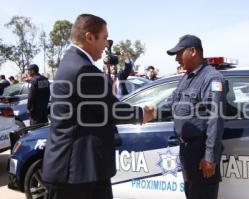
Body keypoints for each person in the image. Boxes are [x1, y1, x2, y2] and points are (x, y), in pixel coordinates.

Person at [42, 14, 154, 199]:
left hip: (79, 169)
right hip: (76, 173)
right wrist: (143, 113)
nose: (106, 45)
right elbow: (110, 110)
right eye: (104, 38)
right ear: (89, 37)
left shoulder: (71, 61)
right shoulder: (83, 69)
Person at [158, 35, 226, 199]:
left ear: (193, 51)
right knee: (192, 194)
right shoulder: (186, 78)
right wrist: (147, 112)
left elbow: (214, 118)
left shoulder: (211, 78)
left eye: (179, 54)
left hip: (200, 150)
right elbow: (171, 104)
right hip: (187, 150)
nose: (176, 59)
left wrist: (209, 156)